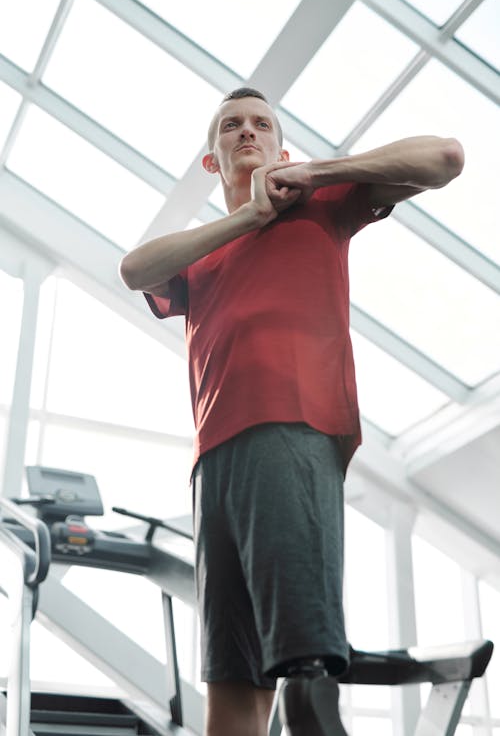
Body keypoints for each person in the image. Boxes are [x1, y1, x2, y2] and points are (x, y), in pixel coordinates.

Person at [119, 88, 464, 736]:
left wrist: (319, 172)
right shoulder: (198, 257)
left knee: (304, 676)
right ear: (211, 159)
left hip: (291, 429)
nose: (246, 132)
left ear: (281, 147)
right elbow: (133, 268)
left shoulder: (324, 206)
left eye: (260, 125)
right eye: (231, 126)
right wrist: (245, 219)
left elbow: (445, 157)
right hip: (213, 467)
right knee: (232, 690)